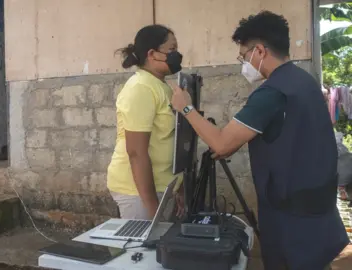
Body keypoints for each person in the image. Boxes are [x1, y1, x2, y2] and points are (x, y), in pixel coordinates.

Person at [170, 11, 349, 270]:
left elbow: (221, 144)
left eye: (244, 56)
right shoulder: (304, 81)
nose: (244, 63)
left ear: (260, 51)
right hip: (318, 214)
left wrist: (186, 108)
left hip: (291, 222)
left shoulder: (271, 94)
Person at [107, 25, 184, 220]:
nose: (177, 55)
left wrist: (178, 187)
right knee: (142, 248)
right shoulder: (140, 88)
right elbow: (136, 152)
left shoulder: (161, 85)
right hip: (138, 192)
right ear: (152, 54)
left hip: (162, 187)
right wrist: (152, 207)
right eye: (172, 50)